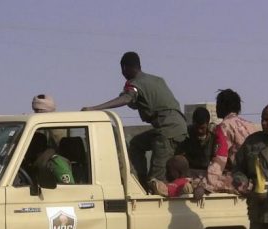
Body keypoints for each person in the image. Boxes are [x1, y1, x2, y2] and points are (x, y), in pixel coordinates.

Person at [81, 51, 187, 187]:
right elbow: (147, 101)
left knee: (156, 179)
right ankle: (140, 181)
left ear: (124, 68)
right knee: (137, 143)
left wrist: (95, 108)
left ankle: (149, 190)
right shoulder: (156, 80)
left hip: (167, 129)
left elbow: (127, 98)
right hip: (175, 125)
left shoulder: (135, 83)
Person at [196, 89, 256, 196]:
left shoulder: (224, 126)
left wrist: (206, 184)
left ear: (223, 106)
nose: (216, 108)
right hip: (257, 177)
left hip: (242, 179)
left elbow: (220, 158)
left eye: (218, 104)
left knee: (196, 179)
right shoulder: (251, 125)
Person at [176, 107, 216, 174]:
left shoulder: (214, 134)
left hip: (209, 172)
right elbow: (179, 155)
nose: (199, 131)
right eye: (196, 127)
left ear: (208, 124)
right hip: (190, 171)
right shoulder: (186, 134)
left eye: (202, 128)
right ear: (193, 122)